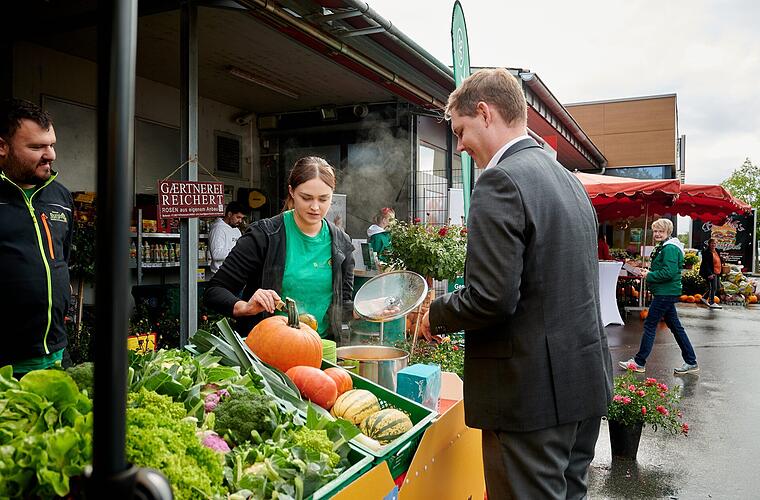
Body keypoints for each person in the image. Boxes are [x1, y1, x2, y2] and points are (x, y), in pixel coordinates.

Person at [419, 68, 612, 500]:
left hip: (529, 399)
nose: (460, 144)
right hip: (582, 385)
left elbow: (492, 298)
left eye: (461, 130)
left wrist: (435, 311)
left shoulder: (500, 180)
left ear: (484, 113)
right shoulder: (569, 181)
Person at [204, 157, 354, 340]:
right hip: (267, 351)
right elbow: (215, 291)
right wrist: (246, 307)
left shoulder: (341, 243)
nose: (315, 207)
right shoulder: (263, 235)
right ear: (291, 191)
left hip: (320, 351)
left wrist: (368, 309)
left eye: (324, 199)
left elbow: (343, 306)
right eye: (306, 198)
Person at [0, 98, 74, 377]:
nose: (50, 154)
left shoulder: (61, 197)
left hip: (57, 353)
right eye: (36, 147)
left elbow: (62, 259)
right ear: (3, 147)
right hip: (8, 364)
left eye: (52, 144)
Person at [619, 218, 699, 374]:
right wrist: (649, 273)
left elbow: (669, 272)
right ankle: (691, 361)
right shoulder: (667, 246)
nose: (657, 234)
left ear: (668, 232)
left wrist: (649, 275)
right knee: (676, 327)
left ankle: (639, 362)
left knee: (650, 325)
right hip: (666, 292)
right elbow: (665, 270)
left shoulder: (669, 248)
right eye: (655, 231)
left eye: (660, 231)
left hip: (665, 293)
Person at [207, 201, 245, 275]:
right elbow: (216, 254)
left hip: (235, 274)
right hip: (221, 274)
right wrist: (238, 251)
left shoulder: (237, 230)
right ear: (229, 214)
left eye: (242, 218)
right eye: (238, 217)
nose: (240, 221)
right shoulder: (218, 229)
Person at [698, 238, 722, 309]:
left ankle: (704, 298)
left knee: (717, 287)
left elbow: (718, 260)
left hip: (717, 271)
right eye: (712, 243)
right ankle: (711, 302)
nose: (713, 245)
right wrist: (710, 274)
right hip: (710, 272)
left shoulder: (717, 251)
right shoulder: (706, 252)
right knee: (713, 287)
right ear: (709, 244)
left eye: (714, 243)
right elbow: (706, 264)